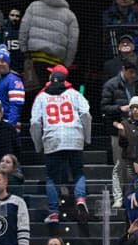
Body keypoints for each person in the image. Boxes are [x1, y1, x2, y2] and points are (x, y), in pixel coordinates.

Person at [30, 65, 92, 223]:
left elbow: (35, 123)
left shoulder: (41, 97)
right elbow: (86, 114)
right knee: (78, 172)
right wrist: (87, 137)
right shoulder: (74, 94)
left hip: (52, 138)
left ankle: (54, 212)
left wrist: (38, 145)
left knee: (52, 178)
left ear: (49, 81)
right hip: (74, 136)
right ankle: (80, 200)